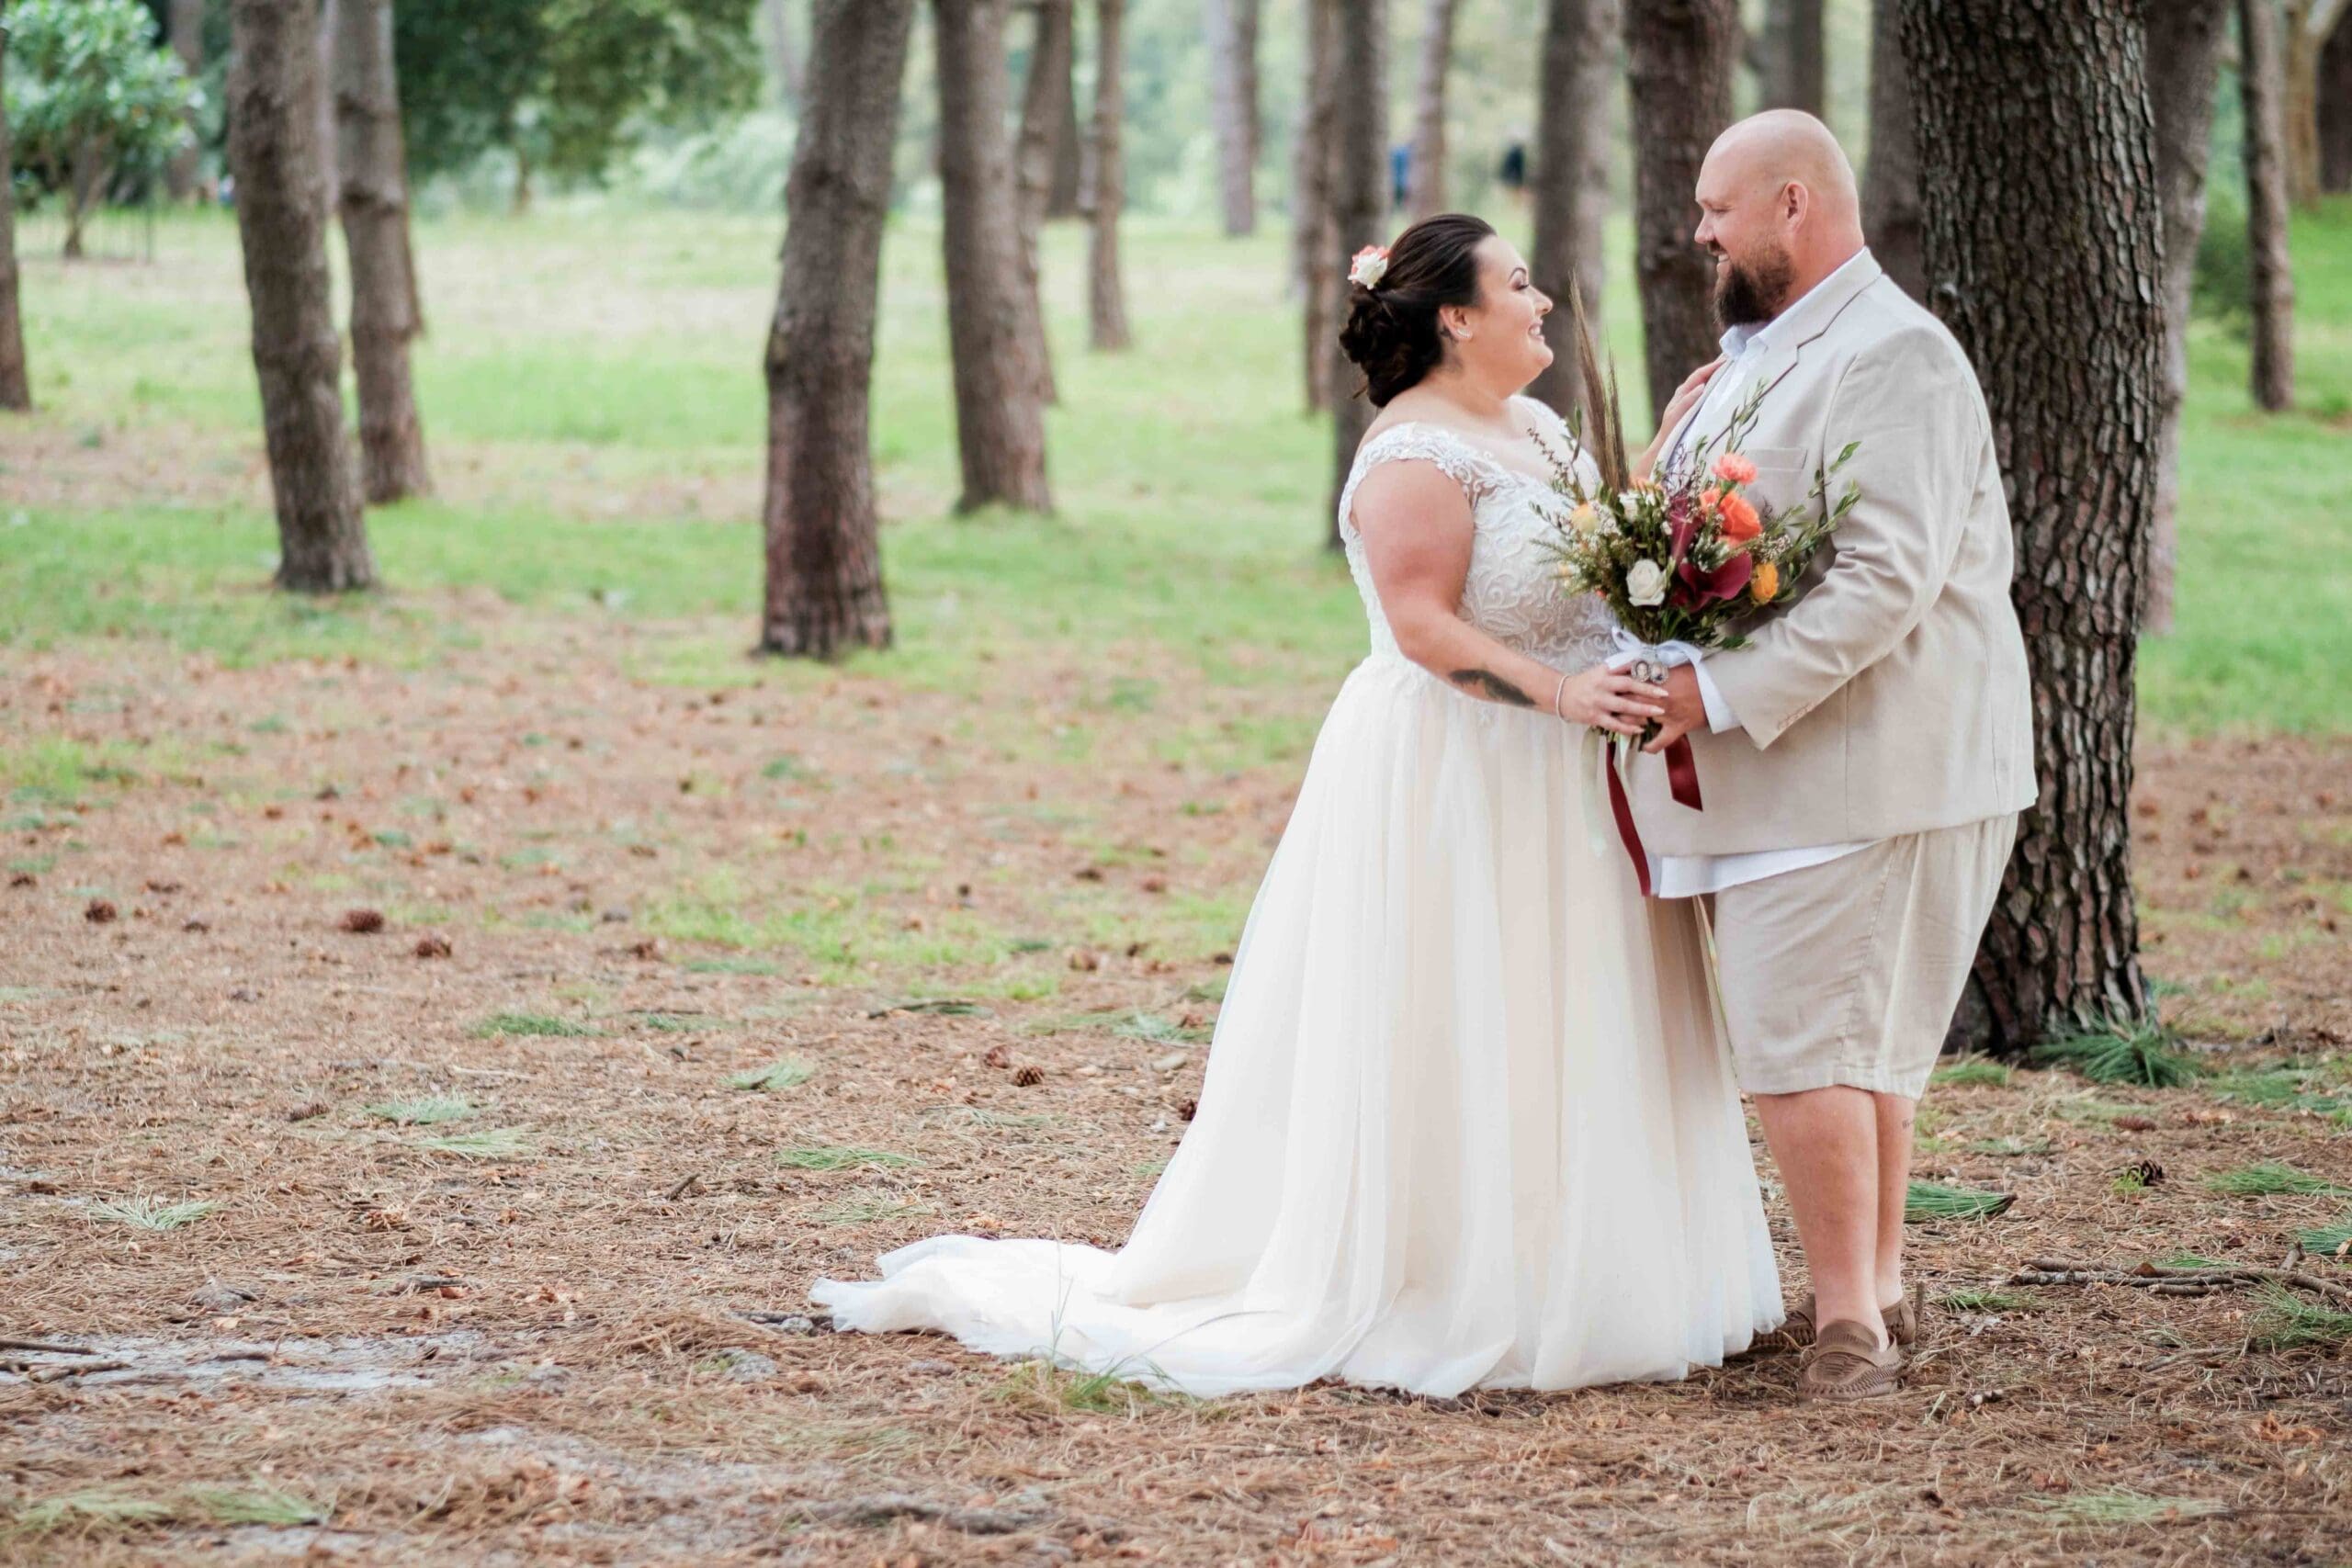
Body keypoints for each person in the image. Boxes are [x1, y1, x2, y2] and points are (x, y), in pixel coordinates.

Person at [812, 214, 1782, 1398]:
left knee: (1561, 1006)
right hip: (1461, 773)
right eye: (1518, 285)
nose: (1543, 304)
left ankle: (1584, 1266)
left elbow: (1573, 564)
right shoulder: (1412, 456)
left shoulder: (1530, 425)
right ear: (1455, 320)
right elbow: (1426, 628)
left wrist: (1666, 467)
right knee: (1467, 1011)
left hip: (1564, 775)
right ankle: (1452, 1276)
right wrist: (1562, 692)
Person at [1631, 110, 2036, 1401]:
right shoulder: (1764, 354)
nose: (1699, 232)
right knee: (1844, 1036)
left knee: (1806, 1039)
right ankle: (1880, 1286)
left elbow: (1885, 582)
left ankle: (1850, 1323)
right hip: (1803, 766)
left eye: (1716, 209)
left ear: (1793, 203)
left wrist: (1712, 690)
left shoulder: (1896, 355)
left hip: (1871, 760)